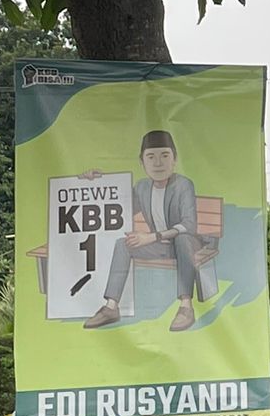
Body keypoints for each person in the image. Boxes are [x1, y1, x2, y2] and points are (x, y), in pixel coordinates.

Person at [83, 130, 205, 332]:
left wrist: (152, 237)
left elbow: (189, 225)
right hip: (161, 247)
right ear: (142, 162)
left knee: (183, 238)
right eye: (151, 157)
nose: (158, 163)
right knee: (123, 244)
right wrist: (96, 182)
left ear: (174, 158)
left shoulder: (183, 185)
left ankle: (185, 306)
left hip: (187, 245)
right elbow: (119, 207)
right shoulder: (142, 187)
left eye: (164, 155)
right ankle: (111, 307)